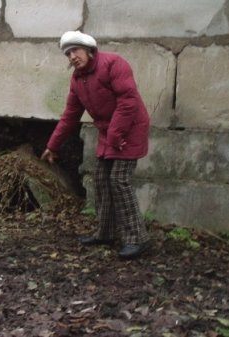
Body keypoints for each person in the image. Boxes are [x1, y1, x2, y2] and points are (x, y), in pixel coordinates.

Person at [41, 31, 150, 259]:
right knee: (100, 180)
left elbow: (128, 102)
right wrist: (53, 145)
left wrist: (115, 134)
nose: (72, 57)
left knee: (119, 181)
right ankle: (105, 232)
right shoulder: (78, 79)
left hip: (130, 128)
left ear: (89, 49)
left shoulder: (114, 64)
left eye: (75, 50)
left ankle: (137, 239)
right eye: (68, 53)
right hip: (109, 132)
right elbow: (70, 114)